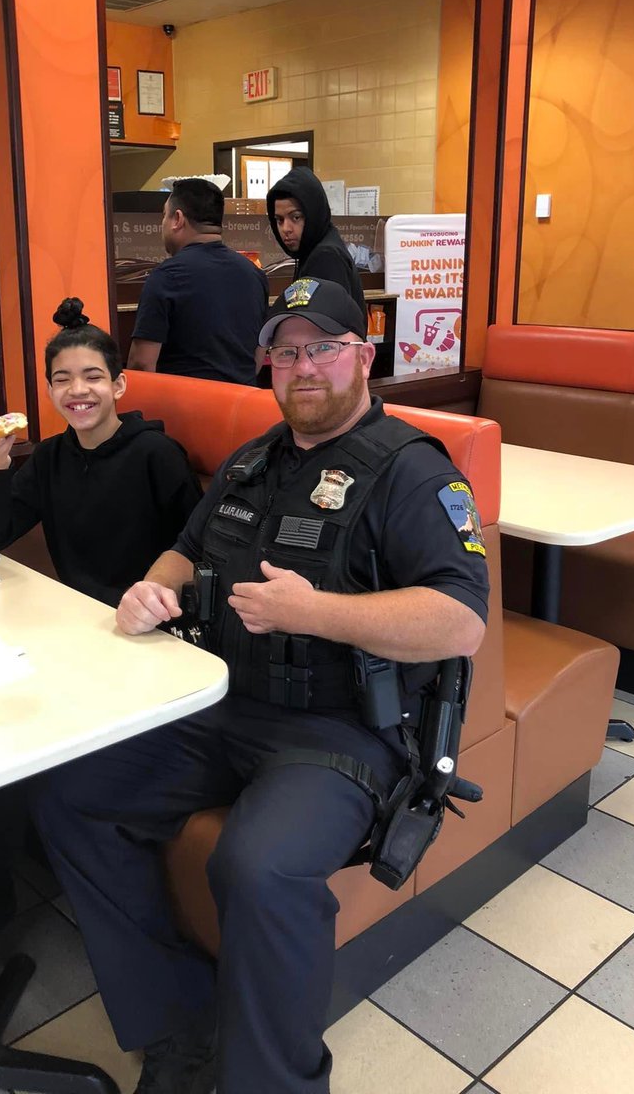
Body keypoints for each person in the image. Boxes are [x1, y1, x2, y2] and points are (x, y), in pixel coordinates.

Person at [30, 277, 489, 1094]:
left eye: (323, 348)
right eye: (284, 352)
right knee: (69, 791)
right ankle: (181, 1022)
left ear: (364, 357)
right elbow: (186, 547)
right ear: (267, 365)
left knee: (259, 866)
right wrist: (152, 588)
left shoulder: (416, 473)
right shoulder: (251, 462)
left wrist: (318, 613)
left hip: (343, 731)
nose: (303, 367)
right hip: (221, 704)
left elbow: (460, 623)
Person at [0, 297, 202, 608]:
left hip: (149, 616)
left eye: (93, 377)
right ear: (50, 391)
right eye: (62, 380)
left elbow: (197, 547)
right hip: (77, 612)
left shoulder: (157, 454)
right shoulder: (49, 456)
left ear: (118, 385)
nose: (77, 390)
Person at [128, 179, 269, 385]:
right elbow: (256, 359)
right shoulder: (255, 275)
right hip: (243, 400)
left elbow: (142, 364)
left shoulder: (166, 276)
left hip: (184, 402)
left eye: (164, 215)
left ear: (177, 219)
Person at [267, 168, 367, 317]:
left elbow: (325, 322)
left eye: (296, 217)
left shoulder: (325, 257)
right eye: (279, 220)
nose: (285, 228)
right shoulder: (314, 249)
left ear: (313, 214)